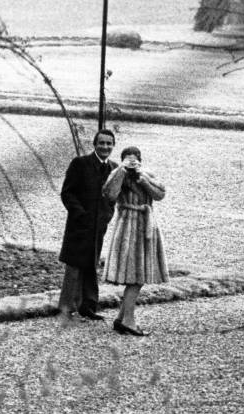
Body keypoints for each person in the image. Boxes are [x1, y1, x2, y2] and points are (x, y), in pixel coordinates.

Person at [102, 146, 169, 336]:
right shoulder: (117, 174)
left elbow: (160, 194)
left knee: (137, 276)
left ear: (141, 159)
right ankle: (129, 321)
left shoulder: (146, 174)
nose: (132, 162)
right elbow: (110, 194)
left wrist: (143, 178)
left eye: (135, 158)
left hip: (145, 225)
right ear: (122, 159)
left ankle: (122, 318)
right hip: (127, 228)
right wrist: (122, 171)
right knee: (135, 277)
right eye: (128, 158)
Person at [58, 129, 118, 320]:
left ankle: (88, 306)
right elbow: (67, 193)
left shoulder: (114, 170)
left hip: (98, 226)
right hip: (79, 225)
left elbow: (113, 197)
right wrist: (80, 215)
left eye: (109, 144)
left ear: (113, 146)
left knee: (91, 263)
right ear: (95, 144)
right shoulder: (80, 164)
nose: (105, 147)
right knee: (74, 264)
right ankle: (66, 308)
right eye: (102, 143)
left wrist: (106, 216)